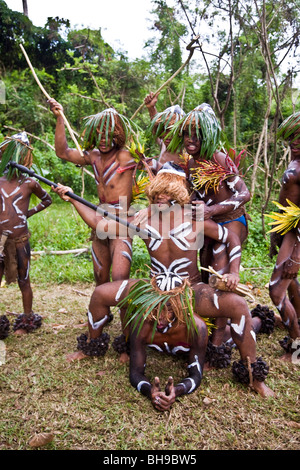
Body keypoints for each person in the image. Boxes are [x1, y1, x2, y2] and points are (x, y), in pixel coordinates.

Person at [52, 163, 274, 409]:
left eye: (167, 193)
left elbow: (230, 237)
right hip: (153, 288)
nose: (160, 198)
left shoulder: (194, 218)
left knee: (238, 305)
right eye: (157, 193)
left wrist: (233, 272)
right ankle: (91, 347)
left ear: (178, 193)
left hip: (189, 290)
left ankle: (254, 376)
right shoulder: (142, 217)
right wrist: (72, 198)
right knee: (101, 294)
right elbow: (99, 223)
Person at [168, 103, 251, 363]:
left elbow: (244, 194)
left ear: (208, 135)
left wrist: (212, 210)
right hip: (211, 220)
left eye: (197, 134)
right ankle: (210, 329)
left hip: (231, 219)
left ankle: (215, 348)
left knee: (220, 268)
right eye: (186, 134)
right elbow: (197, 197)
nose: (191, 140)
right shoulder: (192, 164)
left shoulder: (219, 158)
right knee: (205, 272)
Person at [48, 99, 137, 286]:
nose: (103, 141)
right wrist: (59, 118)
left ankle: (125, 313)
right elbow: (62, 152)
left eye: (108, 135)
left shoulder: (128, 157)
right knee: (100, 277)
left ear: (118, 134)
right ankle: (102, 315)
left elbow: (156, 163)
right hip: (99, 218)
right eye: (100, 136)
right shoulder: (93, 156)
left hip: (122, 222)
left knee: (120, 280)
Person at [0, 132, 52, 336]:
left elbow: (47, 200)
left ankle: (27, 318)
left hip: (20, 240)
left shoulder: (30, 182)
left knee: (24, 279)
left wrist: (27, 213)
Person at [267, 111, 300, 361]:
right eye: (293, 137)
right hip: (289, 229)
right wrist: (277, 234)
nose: (295, 141)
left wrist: (296, 257)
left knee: (276, 290)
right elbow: (286, 202)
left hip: (297, 235)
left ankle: (296, 347)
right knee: (291, 286)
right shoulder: (294, 161)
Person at [144, 92, 186, 167]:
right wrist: (151, 108)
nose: (166, 135)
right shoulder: (164, 144)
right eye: (164, 130)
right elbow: (156, 126)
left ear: (180, 132)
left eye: (172, 131)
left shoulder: (185, 153)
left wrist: (155, 165)